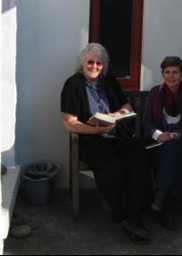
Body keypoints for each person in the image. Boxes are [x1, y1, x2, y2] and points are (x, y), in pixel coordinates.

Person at [61, 43, 153, 245]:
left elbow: (126, 106)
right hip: (91, 140)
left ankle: (136, 210)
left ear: (104, 65)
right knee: (112, 167)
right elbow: (70, 123)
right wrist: (96, 129)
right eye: (90, 62)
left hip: (117, 135)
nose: (94, 66)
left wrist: (116, 115)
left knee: (139, 157)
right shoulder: (73, 84)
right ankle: (129, 217)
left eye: (99, 63)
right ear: (82, 63)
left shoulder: (109, 81)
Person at [142, 56, 182, 230]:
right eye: (167, 72)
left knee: (172, 149)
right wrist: (159, 134)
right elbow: (146, 121)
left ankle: (162, 195)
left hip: (179, 143)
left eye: (175, 72)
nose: (171, 76)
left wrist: (175, 135)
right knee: (169, 151)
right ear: (162, 74)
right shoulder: (155, 92)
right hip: (157, 144)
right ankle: (166, 205)